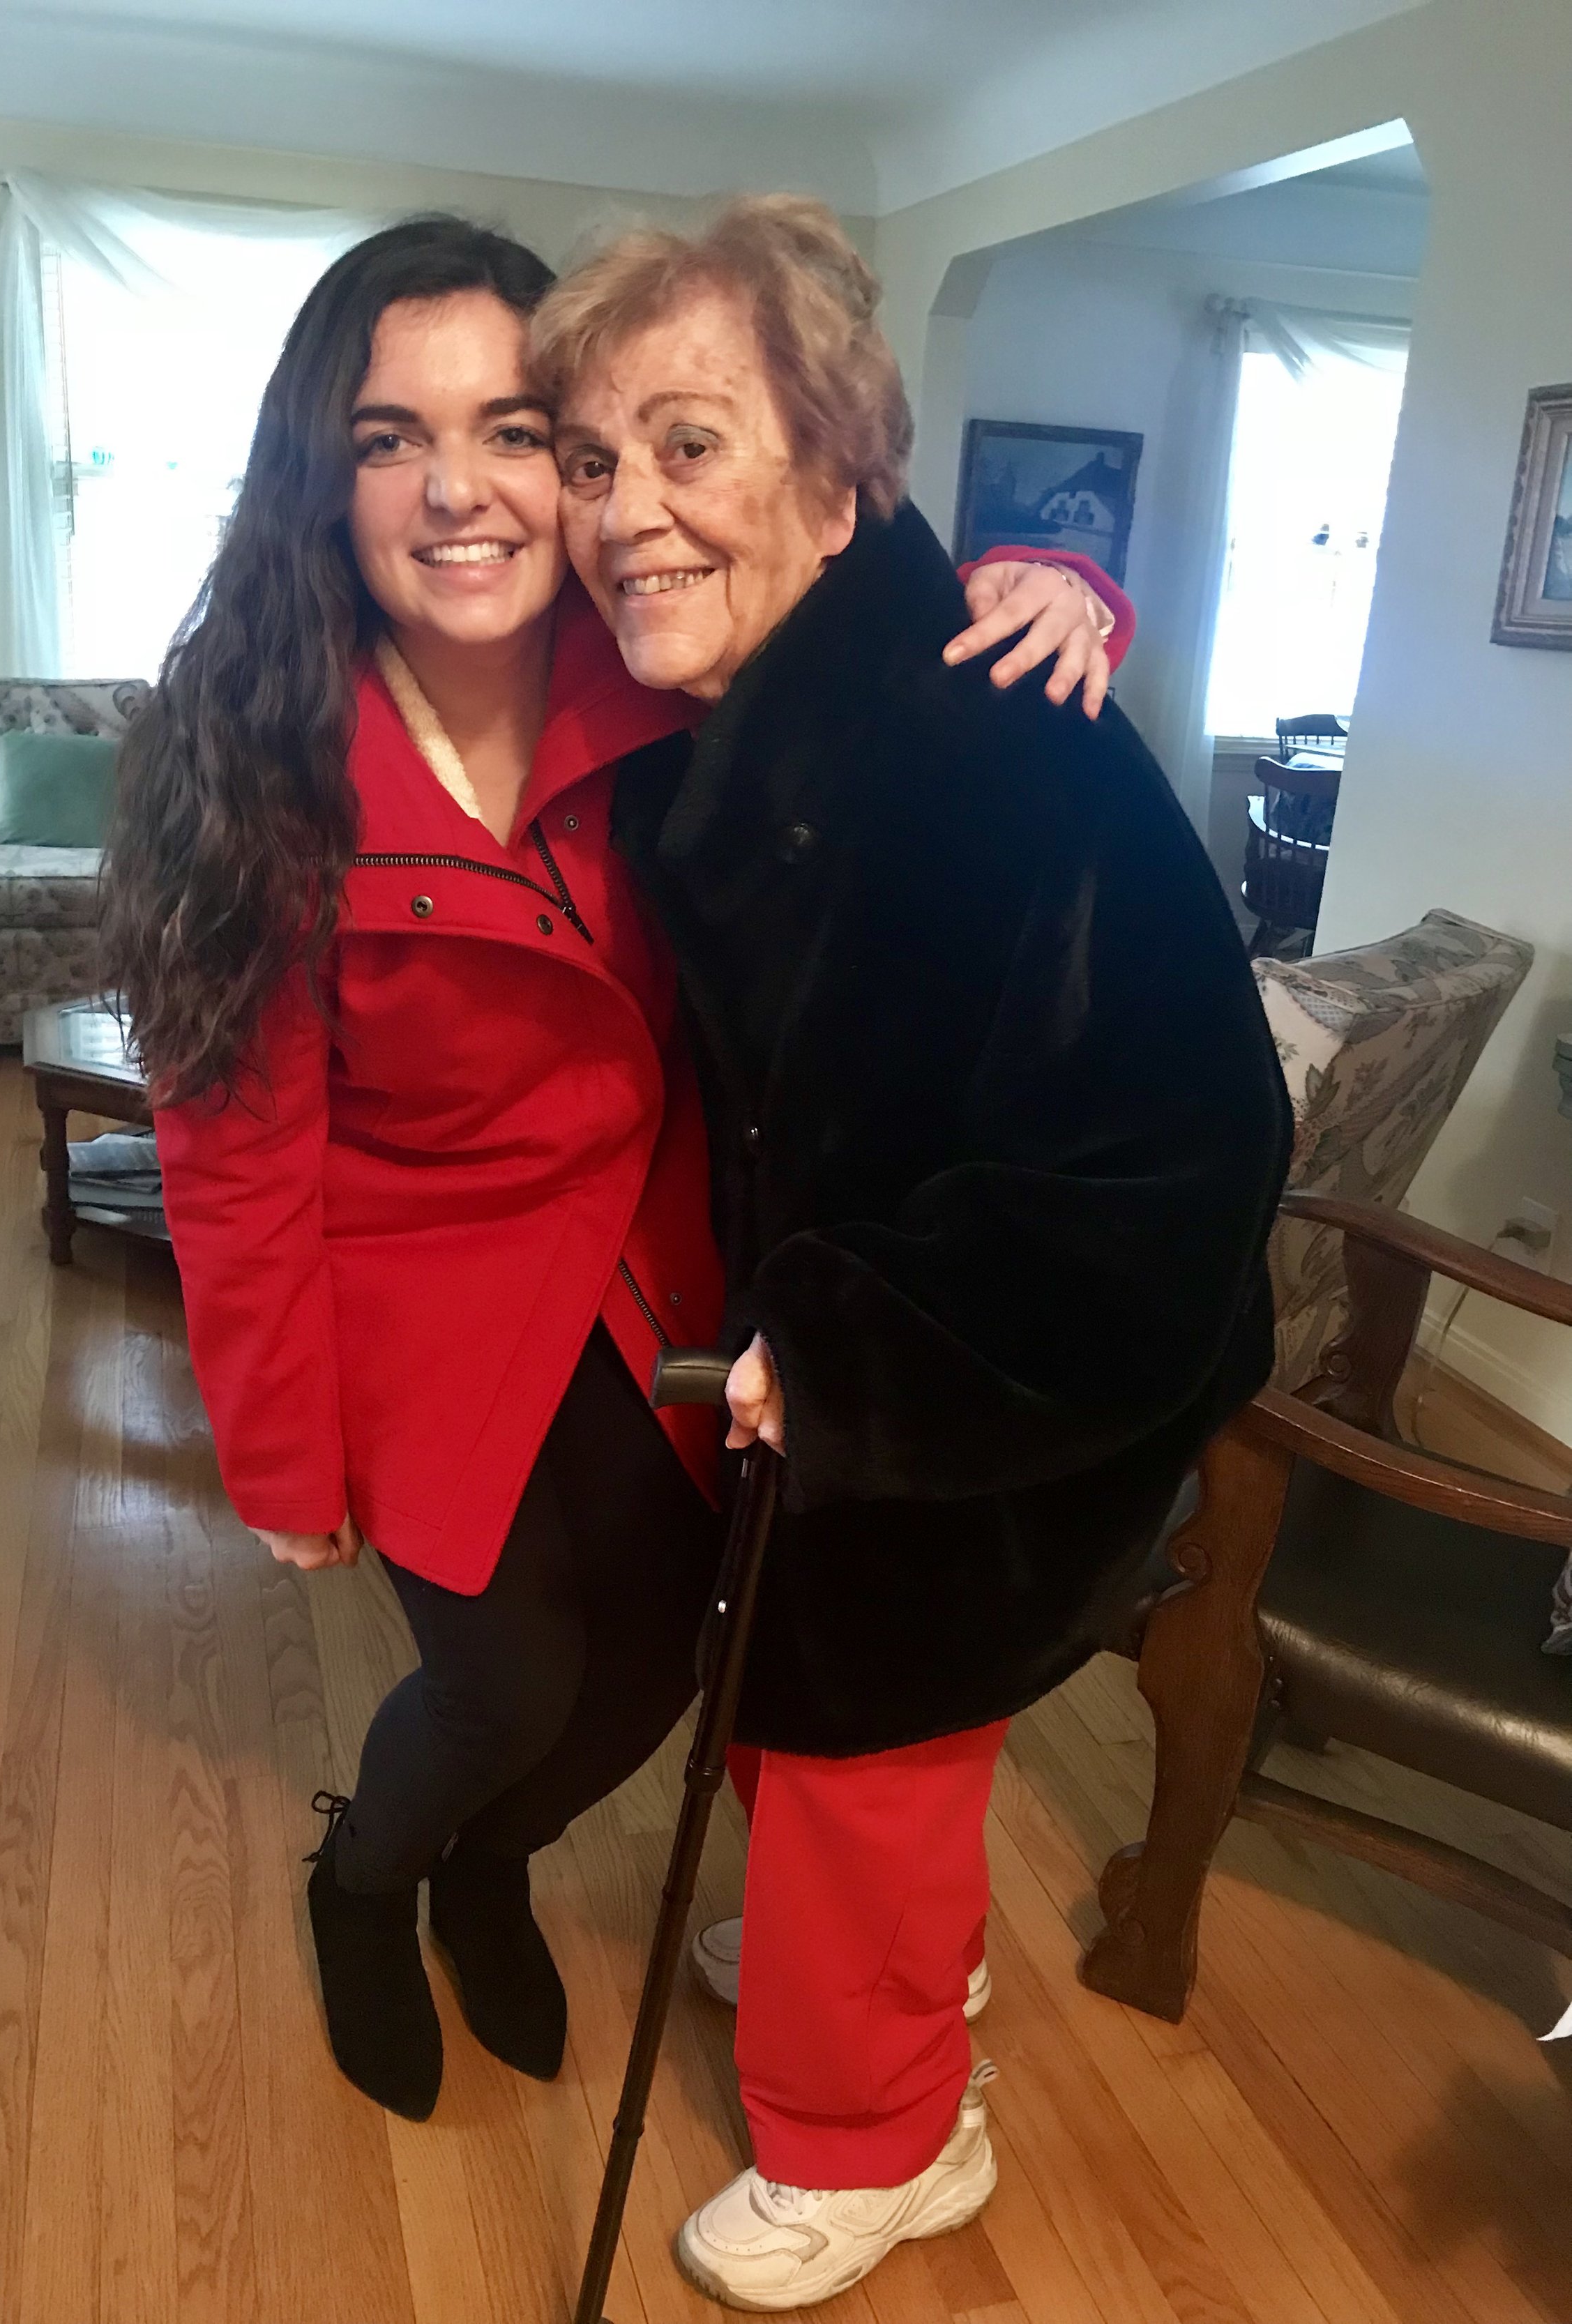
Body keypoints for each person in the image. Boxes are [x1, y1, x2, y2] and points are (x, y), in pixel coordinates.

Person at [101, 213, 1128, 2127]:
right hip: (410, 1276)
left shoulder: (659, 656)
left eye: (513, 432)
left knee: (662, 1662)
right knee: (502, 1679)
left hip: (650, 1256)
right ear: (322, 478)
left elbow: (879, 642)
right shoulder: (249, 761)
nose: (460, 490)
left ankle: (491, 1866)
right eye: (391, 439)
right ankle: (368, 1875)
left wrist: (1052, 585)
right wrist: (278, 1452)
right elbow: (231, 1157)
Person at [534, 196, 1292, 2311]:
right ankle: (858, 1966)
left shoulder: (988, 730)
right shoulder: (756, 694)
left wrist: (867, 1350)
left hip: (995, 1375)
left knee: (870, 1747)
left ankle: (876, 2141)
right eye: (593, 459)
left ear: (842, 463)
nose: (625, 512)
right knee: (822, 1733)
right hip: (832, 1345)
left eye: (690, 444)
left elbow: (1188, 1152)